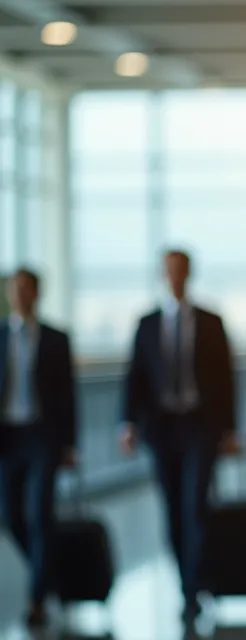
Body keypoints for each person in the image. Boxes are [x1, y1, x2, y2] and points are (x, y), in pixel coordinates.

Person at [122, 250, 237, 625]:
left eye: (179, 270)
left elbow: (226, 379)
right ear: (163, 275)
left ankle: (192, 586)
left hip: (200, 425)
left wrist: (229, 430)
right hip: (162, 428)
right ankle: (187, 578)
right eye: (168, 270)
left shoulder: (210, 322)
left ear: (189, 274)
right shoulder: (147, 324)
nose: (174, 277)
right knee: (172, 508)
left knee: (195, 503)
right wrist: (128, 424)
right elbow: (135, 376)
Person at [0, 268, 77, 628]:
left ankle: (36, 598)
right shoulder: (0, 335)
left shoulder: (56, 339)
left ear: (37, 294)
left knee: (39, 514)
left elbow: (68, 395)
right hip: (8, 437)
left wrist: (69, 443)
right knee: (11, 515)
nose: (19, 295)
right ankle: (48, 571)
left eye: (26, 289)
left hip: (43, 435)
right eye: (14, 289)